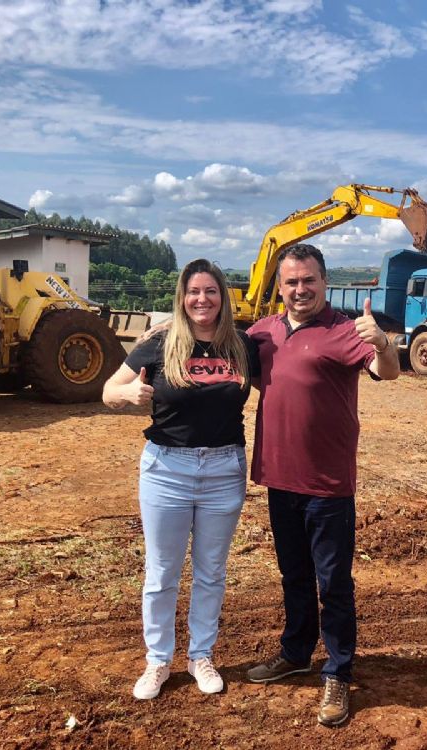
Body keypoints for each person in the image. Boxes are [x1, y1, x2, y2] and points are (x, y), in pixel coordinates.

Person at [244, 243, 399, 727]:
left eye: (308, 280)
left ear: (323, 281)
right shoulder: (262, 332)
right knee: (293, 576)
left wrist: (385, 343)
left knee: (332, 583)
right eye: (290, 281)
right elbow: (221, 358)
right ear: (280, 286)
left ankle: (337, 670)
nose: (299, 289)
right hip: (277, 476)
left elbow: (386, 372)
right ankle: (295, 653)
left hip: (328, 484)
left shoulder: (345, 331)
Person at [102, 259, 259, 700]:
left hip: (225, 469)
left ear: (222, 297)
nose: (202, 299)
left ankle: (200, 655)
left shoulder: (242, 346)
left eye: (211, 291)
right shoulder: (159, 342)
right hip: (166, 470)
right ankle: (158, 661)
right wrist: (127, 394)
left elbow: (286, 384)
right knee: (162, 572)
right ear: (182, 296)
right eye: (194, 291)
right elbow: (108, 390)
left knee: (211, 572)